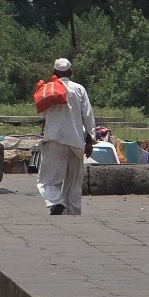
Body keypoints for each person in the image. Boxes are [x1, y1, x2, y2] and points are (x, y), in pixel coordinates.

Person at [36, 56, 95, 217]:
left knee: (47, 180)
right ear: (70, 72)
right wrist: (89, 140)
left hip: (54, 139)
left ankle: (56, 202)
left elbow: (43, 113)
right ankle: (73, 214)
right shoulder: (79, 89)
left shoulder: (49, 89)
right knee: (74, 182)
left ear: (54, 71)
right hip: (76, 141)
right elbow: (88, 115)